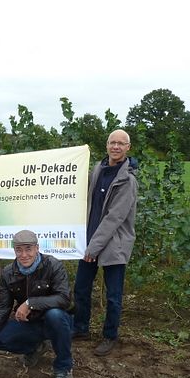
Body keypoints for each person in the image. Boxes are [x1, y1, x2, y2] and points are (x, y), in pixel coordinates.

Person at [0, 230, 74, 378]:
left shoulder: (53, 265)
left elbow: (64, 299)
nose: (24, 254)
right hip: (31, 323)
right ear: (14, 251)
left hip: (57, 322)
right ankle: (34, 347)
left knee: (54, 315)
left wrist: (30, 303)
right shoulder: (7, 273)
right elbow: (3, 307)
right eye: (19, 250)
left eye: (28, 249)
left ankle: (64, 367)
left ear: (37, 248)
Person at [72, 129, 138, 357]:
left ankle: (109, 336)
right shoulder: (97, 170)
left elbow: (114, 218)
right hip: (89, 240)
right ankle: (80, 328)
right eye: (113, 142)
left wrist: (93, 248)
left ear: (128, 148)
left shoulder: (127, 181)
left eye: (121, 143)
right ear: (107, 145)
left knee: (113, 294)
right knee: (81, 288)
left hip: (113, 243)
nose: (116, 147)